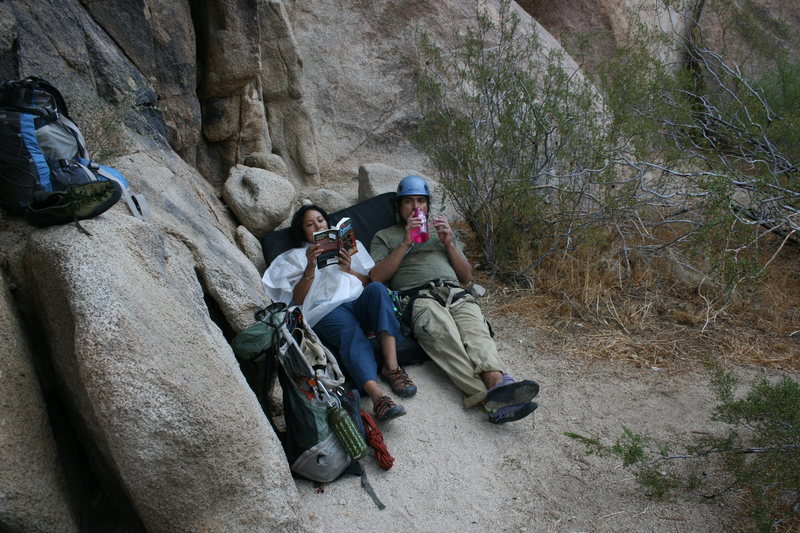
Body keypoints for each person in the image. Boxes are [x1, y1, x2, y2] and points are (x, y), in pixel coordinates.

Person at [369, 175, 539, 424]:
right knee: (444, 336)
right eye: (408, 202)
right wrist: (406, 242)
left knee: (476, 332)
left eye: (421, 201)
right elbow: (376, 277)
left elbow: (466, 276)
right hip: (417, 296)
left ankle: (497, 382)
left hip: (453, 291)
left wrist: (449, 243)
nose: (416, 208)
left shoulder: (441, 234)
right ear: (398, 206)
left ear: (428, 205)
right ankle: (489, 398)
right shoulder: (385, 236)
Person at [262, 204, 417, 421]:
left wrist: (349, 269)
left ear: (328, 223)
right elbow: (297, 299)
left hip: (356, 300)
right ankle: (377, 396)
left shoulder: (350, 246)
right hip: (326, 309)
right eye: (310, 224)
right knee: (350, 332)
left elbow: (368, 281)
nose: (317, 225)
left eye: (320, 220)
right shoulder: (295, 257)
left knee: (378, 289)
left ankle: (391, 368)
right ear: (302, 231)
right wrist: (309, 266)